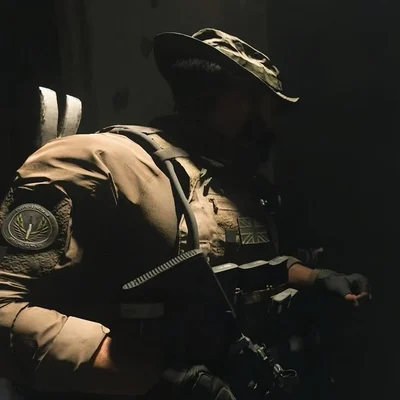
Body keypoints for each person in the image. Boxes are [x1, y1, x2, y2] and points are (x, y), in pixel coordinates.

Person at [0, 28, 370, 399]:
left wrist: (315, 278)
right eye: (272, 110)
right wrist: (157, 379)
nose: (275, 128)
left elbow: (229, 270)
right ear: (239, 101)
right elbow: (5, 309)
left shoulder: (235, 184)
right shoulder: (100, 163)